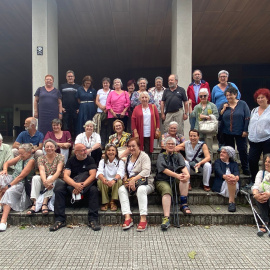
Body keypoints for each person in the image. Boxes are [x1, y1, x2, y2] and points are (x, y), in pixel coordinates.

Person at [50, 143, 100, 231]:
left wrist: (81, 186)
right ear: (76, 152)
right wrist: (75, 185)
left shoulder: (90, 159)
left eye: (85, 149)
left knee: (94, 190)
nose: (85, 151)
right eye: (82, 150)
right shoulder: (71, 160)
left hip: (86, 185)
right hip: (72, 185)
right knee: (59, 190)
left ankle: (93, 219)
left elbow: (93, 176)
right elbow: (65, 176)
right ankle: (59, 220)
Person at [118, 138, 154, 232]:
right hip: (131, 183)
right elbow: (126, 172)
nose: (131, 148)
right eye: (129, 146)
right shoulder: (128, 157)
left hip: (146, 183)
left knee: (141, 189)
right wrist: (126, 179)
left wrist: (134, 179)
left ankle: (143, 218)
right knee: (121, 189)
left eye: (133, 146)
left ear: (139, 146)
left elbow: (146, 171)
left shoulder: (144, 156)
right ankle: (127, 217)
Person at [155, 137, 190, 230]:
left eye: (172, 144)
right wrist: (177, 175)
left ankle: (183, 204)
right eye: (169, 144)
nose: (171, 145)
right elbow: (163, 169)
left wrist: (187, 175)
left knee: (184, 179)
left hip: (175, 179)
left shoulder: (178, 155)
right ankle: (166, 218)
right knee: (166, 191)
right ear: (165, 146)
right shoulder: (161, 156)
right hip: (162, 180)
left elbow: (183, 166)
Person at [0, 143, 35, 232]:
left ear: (28, 153)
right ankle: (0, 204)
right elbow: (7, 163)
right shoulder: (20, 157)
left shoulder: (31, 161)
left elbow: (21, 177)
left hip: (21, 183)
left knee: (9, 191)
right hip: (13, 178)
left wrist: (8, 186)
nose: (20, 155)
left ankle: (3, 220)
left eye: (22, 153)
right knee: (1, 178)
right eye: (19, 153)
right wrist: (4, 170)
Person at [27, 139, 64, 216]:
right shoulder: (41, 158)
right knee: (35, 178)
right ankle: (35, 203)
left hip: (56, 179)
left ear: (55, 147)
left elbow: (59, 171)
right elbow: (42, 171)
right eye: (47, 147)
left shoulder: (60, 157)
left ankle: (45, 202)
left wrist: (50, 180)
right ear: (44, 148)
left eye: (51, 146)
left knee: (50, 176)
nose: (49, 148)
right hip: (45, 180)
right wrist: (45, 182)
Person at [219, 86, 250, 175]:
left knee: (242, 150)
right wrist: (224, 109)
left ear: (235, 95)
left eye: (230, 95)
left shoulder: (242, 104)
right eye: (227, 95)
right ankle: (232, 168)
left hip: (240, 132)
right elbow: (219, 118)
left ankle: (245, 168)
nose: (228, 97)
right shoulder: (223, 105)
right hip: (227, 132)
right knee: (229, 151)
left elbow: (247, 118)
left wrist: (245, 130)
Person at [248, 88, 270, 184]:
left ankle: (267, 181)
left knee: (267, 162)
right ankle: (255, 180)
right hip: (254, 140)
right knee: (252, 160)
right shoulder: (254, 110)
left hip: (267, 139)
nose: (260, 99)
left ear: (267, 98)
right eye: (258, 98)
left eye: (262, 97)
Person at [189, 88, 218, 157]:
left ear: (207, 96)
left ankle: (209, 165)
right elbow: (192, 115)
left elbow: (216, 116)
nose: (203, 97)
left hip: (208, 130)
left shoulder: (212, 105)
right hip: (199, 130)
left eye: (204, 96)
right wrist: (190, 105)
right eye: (201, 96)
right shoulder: (197, 107)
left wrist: (206, 117)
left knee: (208, 149)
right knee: (198, 149)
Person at [96, 143, 125, 211]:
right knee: (100, 180)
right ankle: (105, 202)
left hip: (114, 182)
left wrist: (113, 180)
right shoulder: (102, 161)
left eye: (113, 150)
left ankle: (113, 201)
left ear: (116, 152)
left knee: (119, 180)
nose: (111, 152)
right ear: (106, 152)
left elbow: (120, 173)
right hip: (105, 183)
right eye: (109, 150)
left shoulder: (120, 162)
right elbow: (99, 172)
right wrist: (104, 180)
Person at [212, 146, 240, 212]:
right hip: (221, 184)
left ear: (229, 155)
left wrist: (235, 178)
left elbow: (237, 173)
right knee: (230, 178)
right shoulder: (217, 162)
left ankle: (231, 202)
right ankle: (232, 202)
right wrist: (228, 177)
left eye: (224, 152)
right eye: (221, 152)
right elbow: (219, 172)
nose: (221, 153)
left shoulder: (234, 164)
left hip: (233, 183)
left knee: (232, 178)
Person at [131, 91, 160, 156]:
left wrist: (157, 129)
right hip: (139, 131)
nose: (144, 99)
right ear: (140, 99)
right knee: (139, 148)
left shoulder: (153, 107)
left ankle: (148, 164)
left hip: (150, 131)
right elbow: (133, 120)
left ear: (148, 98)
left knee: (148, 149)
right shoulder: (136, 108)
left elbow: (157, 119)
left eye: (146, 97)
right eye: (142, 97)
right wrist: (135, 132)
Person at [251, 154, 270, 232]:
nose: (266, 163)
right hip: (263, 195)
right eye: (265, 161)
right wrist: (256, 195)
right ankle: (265, 222)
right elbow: (256, 185)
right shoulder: (261, 173)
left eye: (269, 162)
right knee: (260, 196)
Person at [59, 70, 80, 138]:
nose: (70, 78)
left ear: (74, 77)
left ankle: (74, 142)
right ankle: (66, 140)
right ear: (66, 77)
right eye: (69, 76)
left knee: (75, 127)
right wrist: (61, 108)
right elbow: (59, 98)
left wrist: (79, 108)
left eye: (71, 76)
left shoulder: (78, 87)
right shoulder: (62, 86)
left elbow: (80, 98)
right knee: (66, 127)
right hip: (65, 110)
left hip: (75, 110)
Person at [148, 76, 166, 146]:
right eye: (157, 82)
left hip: (162, 113)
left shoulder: (166, 90)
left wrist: (163, 113)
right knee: (154, 129)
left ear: (162, 83)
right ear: (155, 83)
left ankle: (161, 145)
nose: (158, 83)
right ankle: (154, 146)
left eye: (160, 82)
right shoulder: (150, 90)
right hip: (152, 113)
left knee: (162, 129)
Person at [96, 77, 112, 148]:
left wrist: (107, 108)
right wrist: (102, 107)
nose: (105, 84)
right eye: (104, 83)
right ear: (102, 84)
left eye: (107, 83)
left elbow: (113, 102)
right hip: (100, 112)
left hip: (109, 112)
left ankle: (108, 144)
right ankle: (102, 144)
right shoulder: (99, 91)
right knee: (101, 128)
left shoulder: (112, 91)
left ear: (109, 84)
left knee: (109, 128)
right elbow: (96, 101)